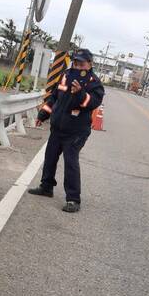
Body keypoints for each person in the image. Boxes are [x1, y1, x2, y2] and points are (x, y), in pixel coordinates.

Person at [29, 48, 105, 213]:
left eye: (81, 63)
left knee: (70, 163)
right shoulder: (65, 75)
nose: (77, 66)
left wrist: (80, 93)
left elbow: (91, 104)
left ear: (90, 64)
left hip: (76, 131)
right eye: (75, 63)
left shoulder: (95, 83)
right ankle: (46, 187)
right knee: (50, 157)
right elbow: (55, 97)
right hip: (58, 127)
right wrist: (43, 114)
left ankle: (73, 199)